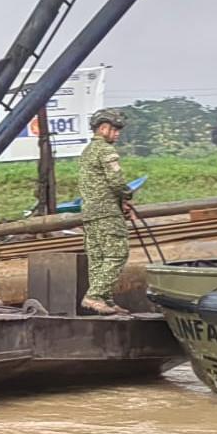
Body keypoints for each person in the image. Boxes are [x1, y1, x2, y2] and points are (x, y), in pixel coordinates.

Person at [78, 109, 134, 315]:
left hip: (90, 212)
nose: (117, 134)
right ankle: (94, 296)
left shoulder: (87, 151)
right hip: (107, 212)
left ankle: (105, 300)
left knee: (98, 257)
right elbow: (116, 181)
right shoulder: (105, 151)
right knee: (118, 253)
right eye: (115, 129)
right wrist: (127, 196)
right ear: (103, 128)